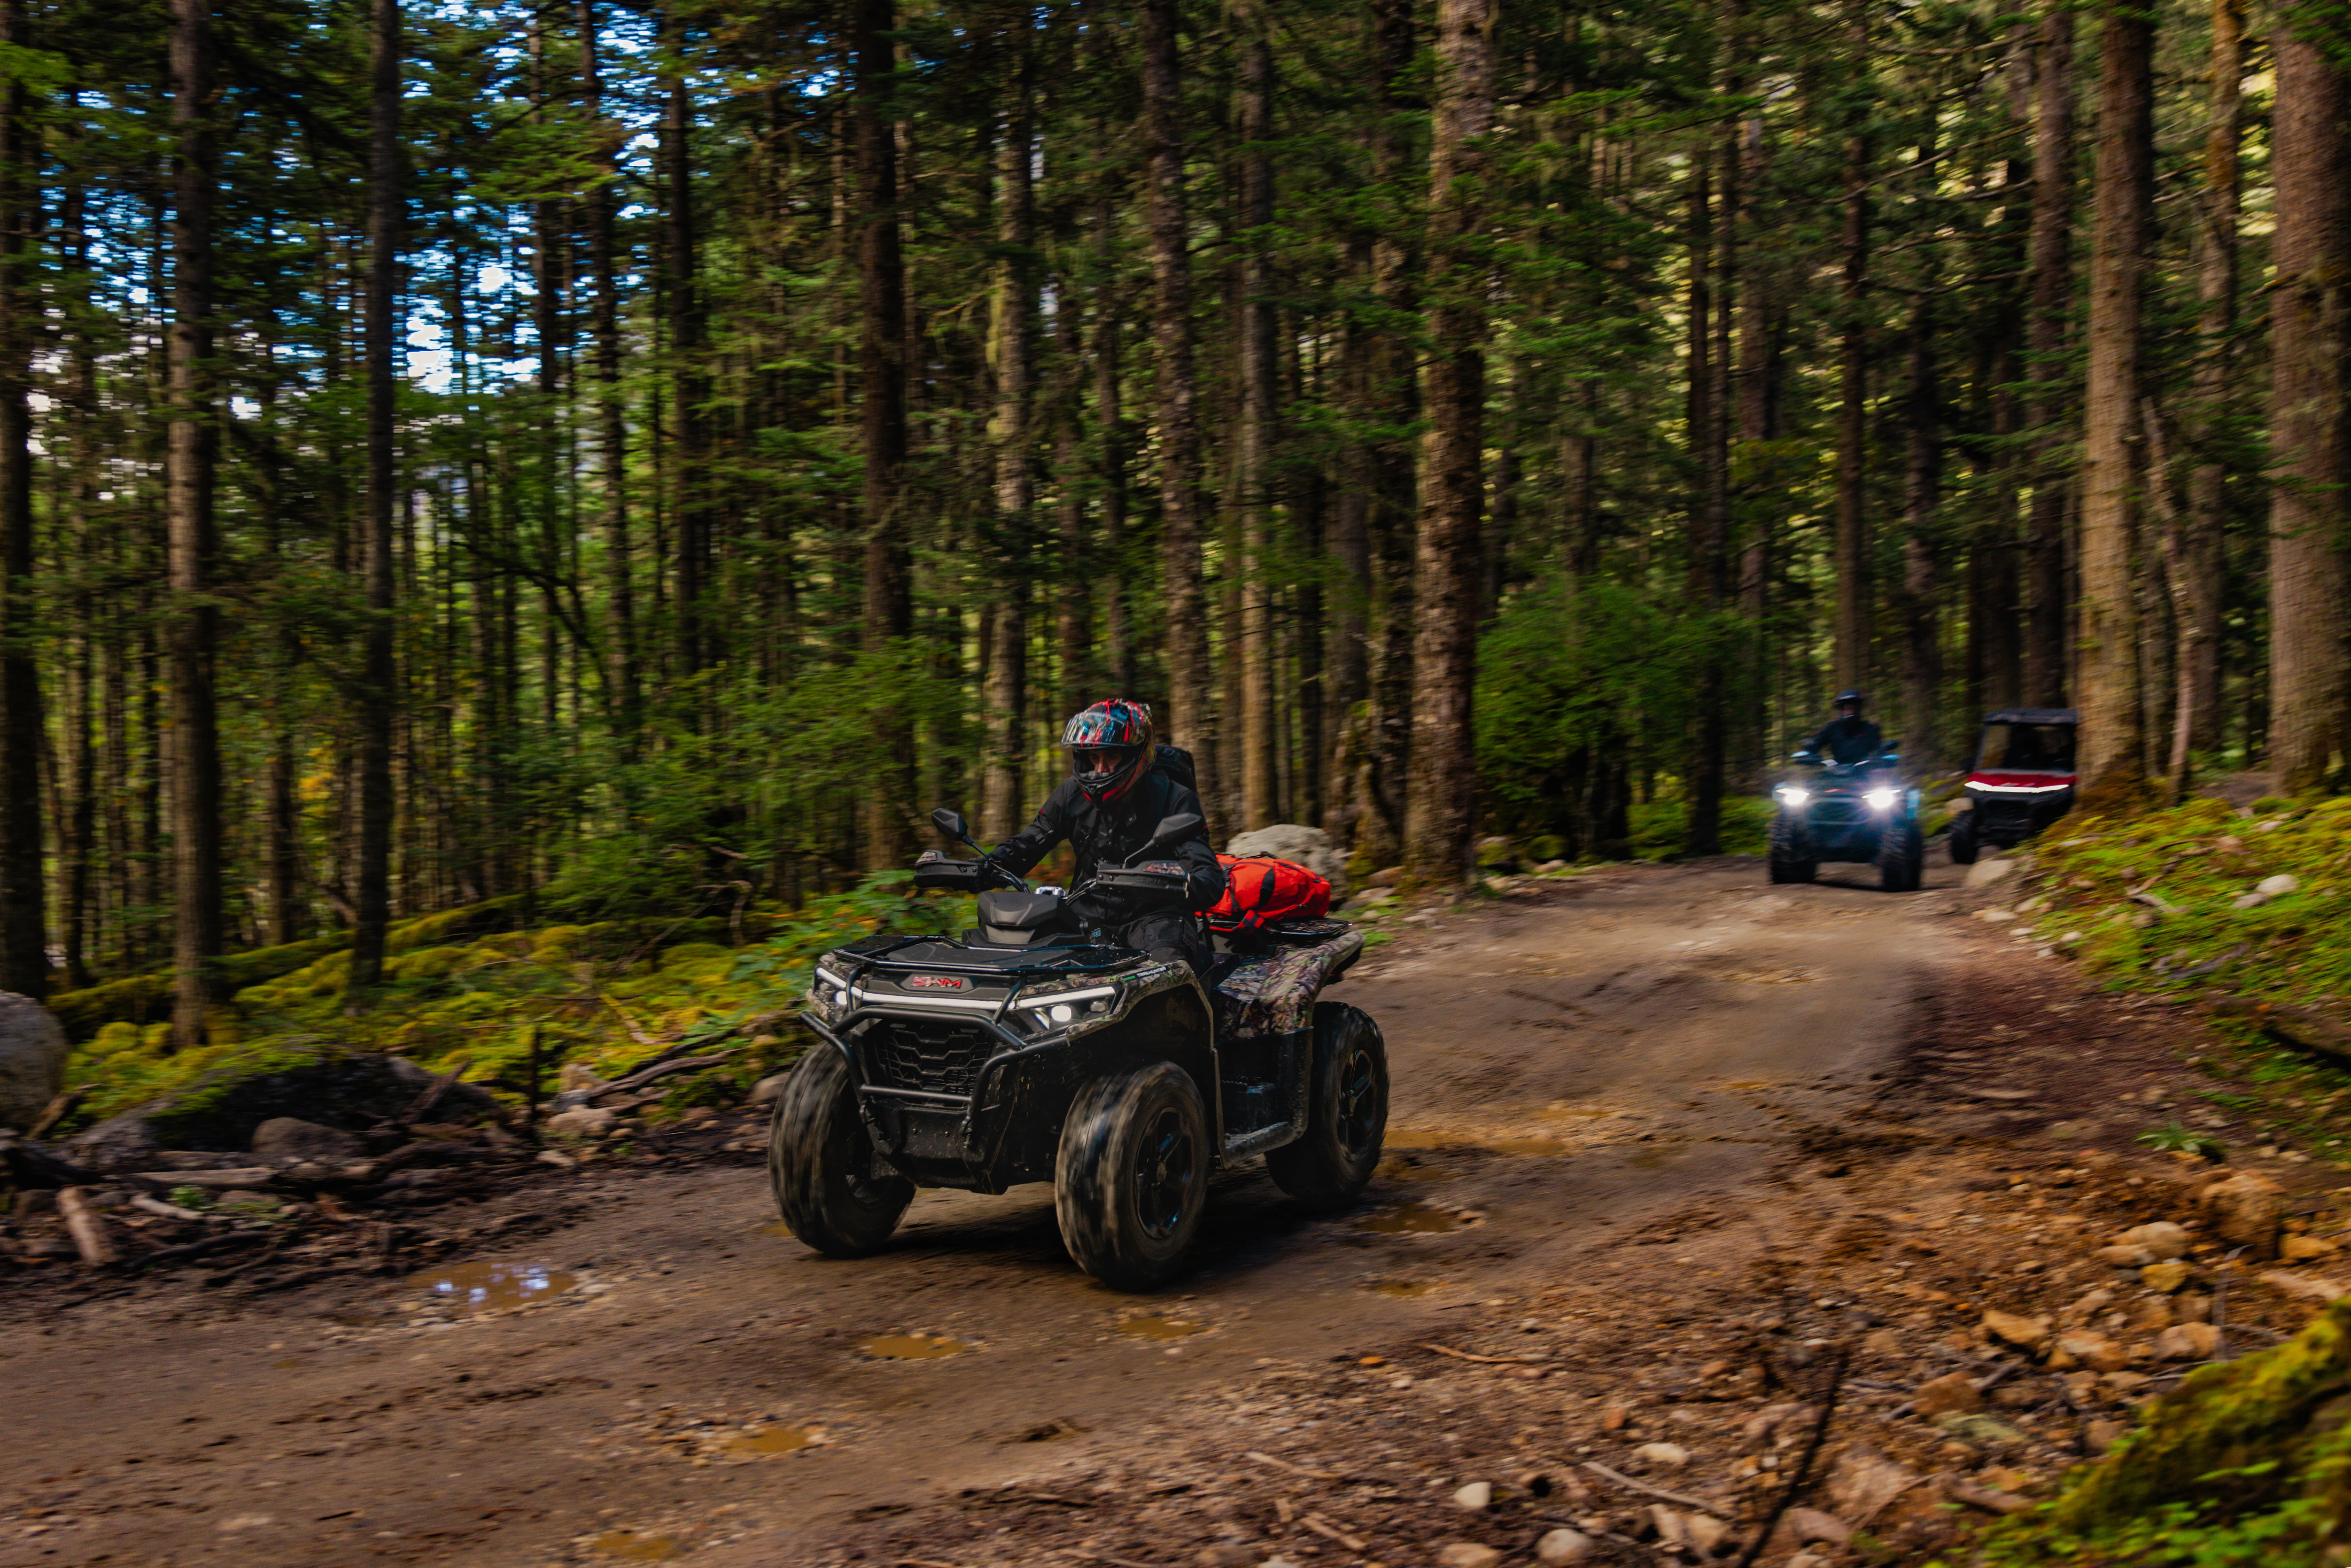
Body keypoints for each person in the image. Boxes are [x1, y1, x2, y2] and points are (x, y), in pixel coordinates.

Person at [984, 699, 1226, 974]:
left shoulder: (1175, 799)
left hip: (1155, 919)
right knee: (1023, 965)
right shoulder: (1071, 794)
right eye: (1094, 757)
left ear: (1137, 755)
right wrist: (984, 867)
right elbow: (1030, 841)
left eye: (1113, 757)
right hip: (1085, 916)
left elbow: (1207, 875)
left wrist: (1173, 878)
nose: (1101, 769)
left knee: (1167, 972)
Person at [1802, 690, 1885, 766]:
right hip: (1836, 773)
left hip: (1865, 774)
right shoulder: (1831, 728)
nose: (1850, 710)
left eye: (1854, 707)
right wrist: (1809, 754)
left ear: (1859, 708)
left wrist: (1883, 756)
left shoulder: (1870, 729)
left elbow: (1880, 749)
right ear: (1840, 710)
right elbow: (1816, 744)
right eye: (1845, 707)